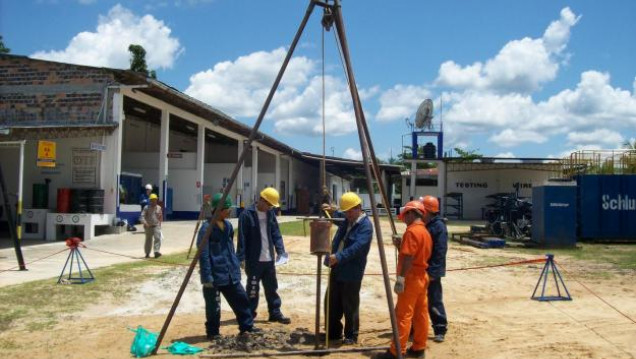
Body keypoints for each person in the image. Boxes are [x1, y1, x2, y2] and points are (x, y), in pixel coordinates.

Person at [197, 193, 260, 339]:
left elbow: (231, 248)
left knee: (241, 299)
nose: (229, 211)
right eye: (227, 208)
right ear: (218, 210)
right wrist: (207, 276)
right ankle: (213, 332)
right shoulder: (206, 229)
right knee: (214, 306)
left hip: (230, 272)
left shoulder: (228, 226)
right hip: (214, 274)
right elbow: (204, 254)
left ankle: (247, 326)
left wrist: (237, 264)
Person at [378, 201, 432, 359]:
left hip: (411, 278)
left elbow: (408, 257)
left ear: (411, 213)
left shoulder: (412, 232)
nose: (404, 219)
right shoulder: (424, 231)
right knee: (420, 314)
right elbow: (415, 253)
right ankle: (419, 348)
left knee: (403, 315)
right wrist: (401, 246)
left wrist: (400, 278)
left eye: (405, 215)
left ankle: (396, 352)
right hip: (422, 276)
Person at [322, 192, 373, 345]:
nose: (348, 215)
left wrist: (338, 257)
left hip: (351, 271)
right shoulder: (347, 219)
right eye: (346, 212)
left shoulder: (366, 227)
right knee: (331, 302)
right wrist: (330, 209)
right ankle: (333, 332)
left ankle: (351, 335)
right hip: (337, 268)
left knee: (349, 305)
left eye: (350, 211)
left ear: (359, 208)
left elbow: (357, 248)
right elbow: (337, 213)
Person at [237, 187, 291, 324]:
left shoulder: (270, 214)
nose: (270, 207)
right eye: (269, 204)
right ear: (262, 200)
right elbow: (242, 237)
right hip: (254, 260)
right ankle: (249, 315)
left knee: (272, 288)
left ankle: (275, 312)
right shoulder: (246, 215)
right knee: (253, 289)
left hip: (269, 260)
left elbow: (276, 233)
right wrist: (241, 258)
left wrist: (280, 251)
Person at [421, 195, 448, 343]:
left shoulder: (438, 227)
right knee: (417, 300)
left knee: (434, 300)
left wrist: (433, 272)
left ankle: (440, 328)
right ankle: (413, 327)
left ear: (428, 211)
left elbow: (440, 251)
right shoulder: (425, 224)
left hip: (432, 271)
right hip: (421, 269)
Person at [140, 193, 162, 258]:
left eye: (155, 200)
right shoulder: (146, 208)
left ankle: (156, 252)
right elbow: (142, 216)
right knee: (148, 240)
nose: (154, 201)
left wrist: (160, 223)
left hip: (156, 226)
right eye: (152, 200)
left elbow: (160, 216)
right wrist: (145, 223)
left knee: (158, 238)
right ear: (150, 200)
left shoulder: (159, 208)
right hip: (148, 226)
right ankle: (147, 253)